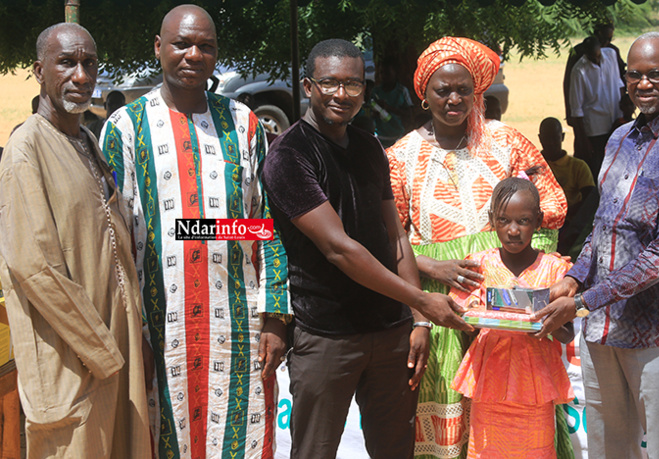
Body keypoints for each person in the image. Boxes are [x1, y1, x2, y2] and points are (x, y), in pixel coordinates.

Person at [263, 38, 471, 459]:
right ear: (308, 86)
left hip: (391, 333)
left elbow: (395, 235)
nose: (342, 94)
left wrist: (416, 320)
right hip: (327, 336)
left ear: (364, 90)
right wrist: (421, 300)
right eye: (330, 83)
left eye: (353, 84)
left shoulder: (369, 146)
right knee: (314, 452)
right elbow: (339, 248)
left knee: (395, 451)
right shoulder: (289, 154)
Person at [100, 5, 290, 458]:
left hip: (239, 324)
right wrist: (130, 334)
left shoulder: (244, 123)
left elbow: (268, 223)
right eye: (182, 44)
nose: (193, 55)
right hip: (158, 328)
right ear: (158, 48)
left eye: (205, 46)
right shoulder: (125, 128)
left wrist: (276, 316)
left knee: (240, 439)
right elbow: (112, 240)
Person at [535, 32, 659, 458]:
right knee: (607, 449)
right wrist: (572, 278)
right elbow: (604, 226)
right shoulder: (618, 139)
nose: (644, 84)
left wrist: (583, 302)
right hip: (602, 329)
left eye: (655, 74)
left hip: (657, 330)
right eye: (634, 75)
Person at [386, 37, 568, 459]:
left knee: (510, 431)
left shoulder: (507, 142)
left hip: (511, 319)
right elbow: (383, 240)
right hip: (440, 310)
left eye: (464, 89)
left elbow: (552, 208)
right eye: (442, 90)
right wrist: (435, 266)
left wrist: (516, 282)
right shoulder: (402, 156)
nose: (454, 98)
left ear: (478, 92)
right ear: (424, 94)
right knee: (451, 429)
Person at [0, 23, 151, 458]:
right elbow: (35, 266)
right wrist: (101, 350)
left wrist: (130, 334)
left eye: (89, 63)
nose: (81, 76)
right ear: (39, 71)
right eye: (67, 62)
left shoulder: (86, 140)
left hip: (115, 352)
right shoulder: (25, 148)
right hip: (72, 359)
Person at [449, 177, 575, 458]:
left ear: (539, 220)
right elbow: (465, 320)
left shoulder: (554, 271)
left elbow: (567, 333)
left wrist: (546, 324)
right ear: (492, 219)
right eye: (504, 220)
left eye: (524, 220)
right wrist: (477, 316)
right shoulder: (480, 265)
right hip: (489, 389)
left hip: (535, 391)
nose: (514, 230)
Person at [568, 35, 624, 180]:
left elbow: (619, 84)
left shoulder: (611, 55)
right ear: (586, 54)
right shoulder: (579, 70)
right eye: (592, 57)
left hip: (615, 121)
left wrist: (623, 112)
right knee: (598, 168)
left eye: (598, 56)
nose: (596, 60)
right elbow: (577, 109)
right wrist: (583, 139)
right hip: (595, 128)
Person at [539, 117, 596, 256]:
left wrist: (567, 213)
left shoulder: (578, 166)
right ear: (540, 139)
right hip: (540, 223)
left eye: (555, 138)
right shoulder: (534, 165)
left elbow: (589, 200)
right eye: (547, 139)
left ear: (562, 137)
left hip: (570, 222)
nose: (551, 143)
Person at [371, 56, 414, 147]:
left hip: (397, 136)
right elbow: (369, 114)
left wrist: (389, 108)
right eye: (381, 73)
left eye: (387, 73)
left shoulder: (402, 91)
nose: (383, 76)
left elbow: (409, 114)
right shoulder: (376, 91)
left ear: (395, 73)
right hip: (380, 136)